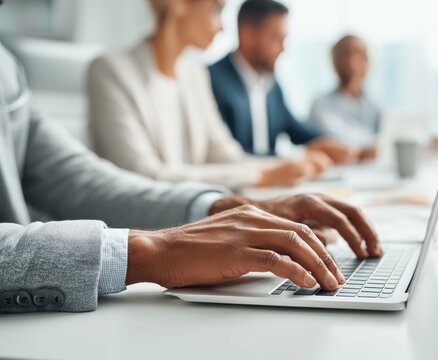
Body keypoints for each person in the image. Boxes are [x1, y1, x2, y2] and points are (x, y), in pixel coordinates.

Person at [0, 40, 381, 313]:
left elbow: (75, 178)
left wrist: (219, 206)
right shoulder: (116, 69)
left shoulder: (6, 65)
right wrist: (151, 251)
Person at [88, 0, 330, 190]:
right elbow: (145, 176)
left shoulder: (195, 75)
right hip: (143, 236)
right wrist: (262, 174)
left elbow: (225, 154)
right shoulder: (111, 71)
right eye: (217, 8)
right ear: (179, 3)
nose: (223, 27)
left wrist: (290, 166)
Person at [209, 0, 358, 163]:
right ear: (248, 34)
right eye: (276, 39)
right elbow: (225, 155)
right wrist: (290, 159)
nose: (283, 48)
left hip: (271, 184)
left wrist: (331, 144)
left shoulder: (271, 85)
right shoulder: (211, 81)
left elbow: (296, 129)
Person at [310, 35, 381, 160]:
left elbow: (388, 135)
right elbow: (335, 138)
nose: (361, 61)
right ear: (338, 61)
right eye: (354, 54)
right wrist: (371, 146)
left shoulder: (374, 104)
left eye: (364, 55)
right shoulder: (321, 104)